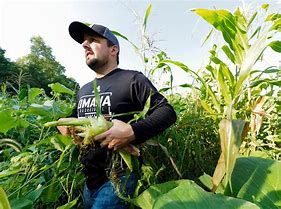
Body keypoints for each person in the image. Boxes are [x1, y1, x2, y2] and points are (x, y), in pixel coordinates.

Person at [59, 21, 177, 209]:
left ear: (113, 50)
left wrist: (132, 131)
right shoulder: (84, 90)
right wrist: (63, 124)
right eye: (84, 42)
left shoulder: (132, 79)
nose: (84, 45)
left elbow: (167, 112)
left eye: (93, 40)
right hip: (89, 179)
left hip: (119, 176)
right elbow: (73, 117)